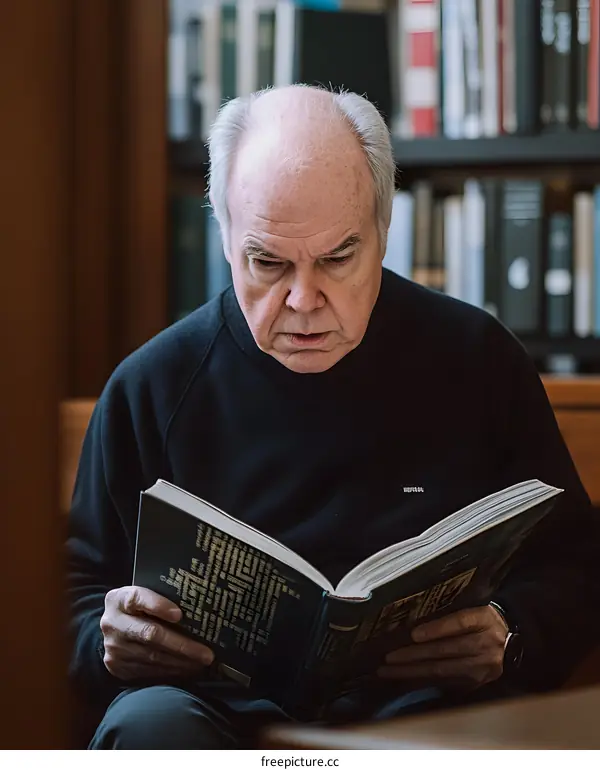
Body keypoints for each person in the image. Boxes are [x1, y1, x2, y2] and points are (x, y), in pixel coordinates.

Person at [67, 85, 600, 750]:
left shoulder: (476, 359)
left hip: (425, 708)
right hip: (212, 714)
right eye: (267, 262)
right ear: (226, 236)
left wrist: (510, 633)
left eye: (337, 258)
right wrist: (110, 641)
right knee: (148, 729)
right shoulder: (153, 386)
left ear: (382, 232)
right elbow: (75, 591)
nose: (302, 299)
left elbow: (576, 564)